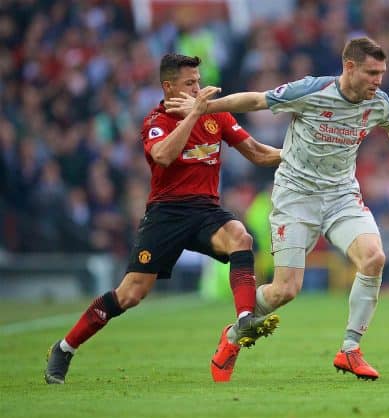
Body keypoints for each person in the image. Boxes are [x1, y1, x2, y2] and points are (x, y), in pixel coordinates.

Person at [166, 37, 389, 380]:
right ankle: (232, 336)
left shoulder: (376, 102)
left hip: (341, 197)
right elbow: (256, 100)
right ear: (349, 67)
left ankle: (350, 349)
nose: (378, 80)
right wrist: (203, 108)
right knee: (285, 290)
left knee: (374, 258)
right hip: (296, 198)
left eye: (382, 73)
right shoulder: (311, 91)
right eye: (371, 72)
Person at [44, 53, 282, 385]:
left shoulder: (218, 116)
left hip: (205, 210)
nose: (197, 89)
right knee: (130, 295)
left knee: (240, 236)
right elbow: (164, 156)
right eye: (189, 83)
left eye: (198, 82)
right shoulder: (155, 121)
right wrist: (194, 115)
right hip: (166, 214)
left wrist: (294, 156)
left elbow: (257, 152)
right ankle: (64, 348)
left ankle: (244, 320)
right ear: (168, 87)